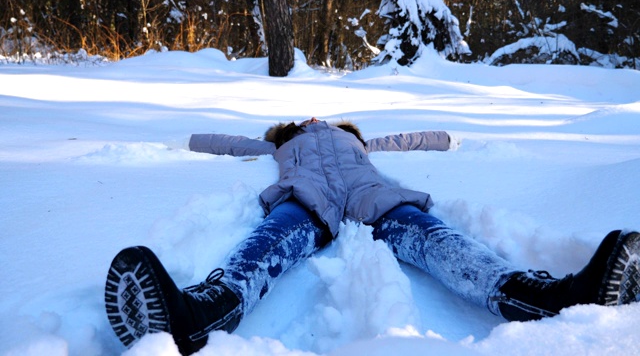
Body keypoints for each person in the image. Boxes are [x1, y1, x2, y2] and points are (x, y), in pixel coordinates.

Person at [105, 118, 640, 355]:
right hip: (307, 194)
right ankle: (200, 314)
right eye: (305, 120)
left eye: (326, 119)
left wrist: (450, 139)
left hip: (369, 190)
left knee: (436, 240)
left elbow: (405, 138)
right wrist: (183, 140)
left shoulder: (356, 141)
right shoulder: (280, 146)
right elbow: (228, 142)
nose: (316, 120)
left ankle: (545, 296)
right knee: (268, 243)